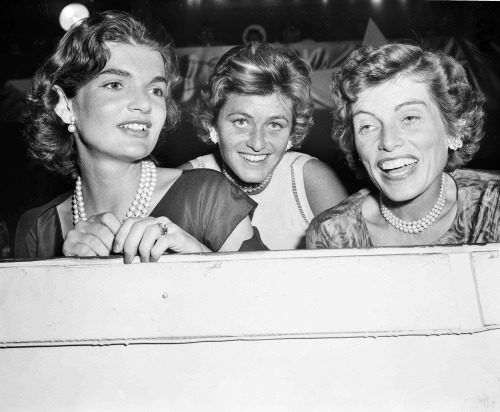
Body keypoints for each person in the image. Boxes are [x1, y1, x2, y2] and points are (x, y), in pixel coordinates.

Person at [15, 11, 266, 261]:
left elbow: (276, 295)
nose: (144, 103)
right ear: (65, 105)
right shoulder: (38, 227)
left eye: (156, 90)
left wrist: (198, 259)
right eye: (115, 85)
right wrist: (63, 274)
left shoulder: (207, 198)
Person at [307, 43, 500, 249]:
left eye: (409, 118)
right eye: (368, 126)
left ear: (454, 128)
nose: (388, 142)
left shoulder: (493, 204)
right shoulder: (332, 234)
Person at [180, 42, 348, 249]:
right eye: (241, 122)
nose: (257, 144)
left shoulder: (311, 180)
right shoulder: (184, 182)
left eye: (274, 125)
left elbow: (356, 272)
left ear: (292, 134)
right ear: (212, 124)